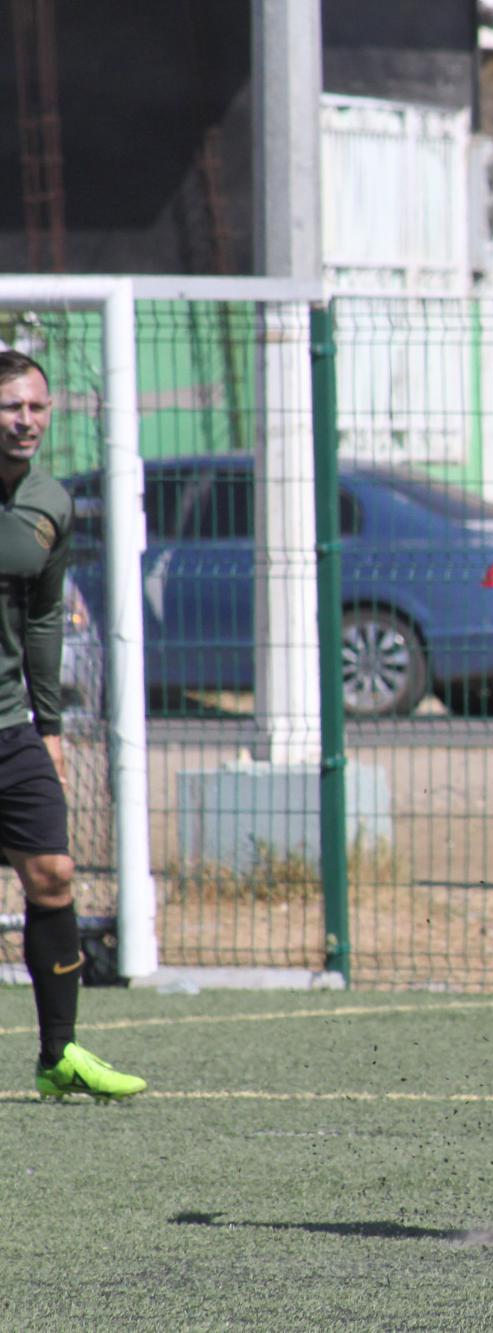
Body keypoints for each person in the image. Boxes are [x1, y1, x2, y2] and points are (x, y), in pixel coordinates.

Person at [0, 351, 146, 1103]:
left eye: (36, 406)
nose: (25, 420)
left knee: (53, 873)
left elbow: (46, 615)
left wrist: (49, 724)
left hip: (9, 726)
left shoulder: (52, 500)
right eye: (10, 407)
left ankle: (60, 1055)